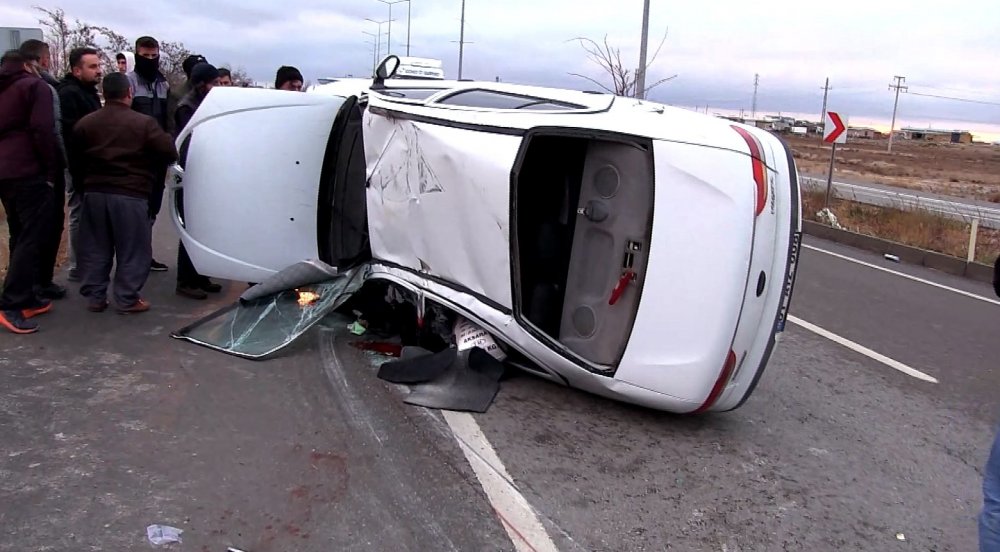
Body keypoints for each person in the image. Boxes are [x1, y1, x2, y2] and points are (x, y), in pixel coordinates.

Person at [73, 72, 178, 314]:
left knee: (96, 247)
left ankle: (96, 296)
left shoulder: (85, 123)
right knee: (133, 248)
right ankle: (127, 298)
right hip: (130, 193)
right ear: (129, 93)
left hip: (94, 192)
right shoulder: (143, 123)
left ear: (105, 93)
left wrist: (83, 188)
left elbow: (75, 160)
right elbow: (169, 152)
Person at [0, 50, 58, 334]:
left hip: (5, 172)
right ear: (27, 65)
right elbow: (43, 128)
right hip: (28, 171)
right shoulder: (35, 86)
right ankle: (11, 304)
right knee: (32, 238)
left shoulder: (5, 89)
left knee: (18, 233)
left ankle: (25, 297)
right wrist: (50, 169)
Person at [19, 39, 68, 300]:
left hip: (17, 168)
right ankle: (36, 285)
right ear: (43, 59)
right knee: (44, 227)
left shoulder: (10, 86)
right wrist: (58, 164)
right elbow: (50, 130)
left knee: (24, 230)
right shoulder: (44, 88)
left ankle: (29, 285)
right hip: (41, 168)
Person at [173, 62, 222, 300]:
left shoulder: (204, 103)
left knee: (204, 227)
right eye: (213, 82)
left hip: (206, 173)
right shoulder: (187, 107)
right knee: (191, 227)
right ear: (201, 84)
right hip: (191, 173)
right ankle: (186, 280)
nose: (216, 87)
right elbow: (190, 142)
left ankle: (201, 276)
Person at [126, 36, 171, 272]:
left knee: (152, 208)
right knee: (136, 210)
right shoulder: (129, 82)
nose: (151, 60)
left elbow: (167, 120)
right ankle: (132, 258)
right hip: (137, 158)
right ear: (137, 55)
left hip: (157, 158)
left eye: (154, 56)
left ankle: (145, 255)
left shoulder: (163, 84)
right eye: (146, 56)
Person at [59, 47, 103, 283]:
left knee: (89, 215)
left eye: (98, 66)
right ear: (77, 70)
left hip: (90, 164)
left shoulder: (89, 92)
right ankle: (77, 266)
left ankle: (85, 262)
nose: (98, 71)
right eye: (92, 66)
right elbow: (71, 136)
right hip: (79, 166)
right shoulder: (69, 94)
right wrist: (77, 171)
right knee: (78, 214)